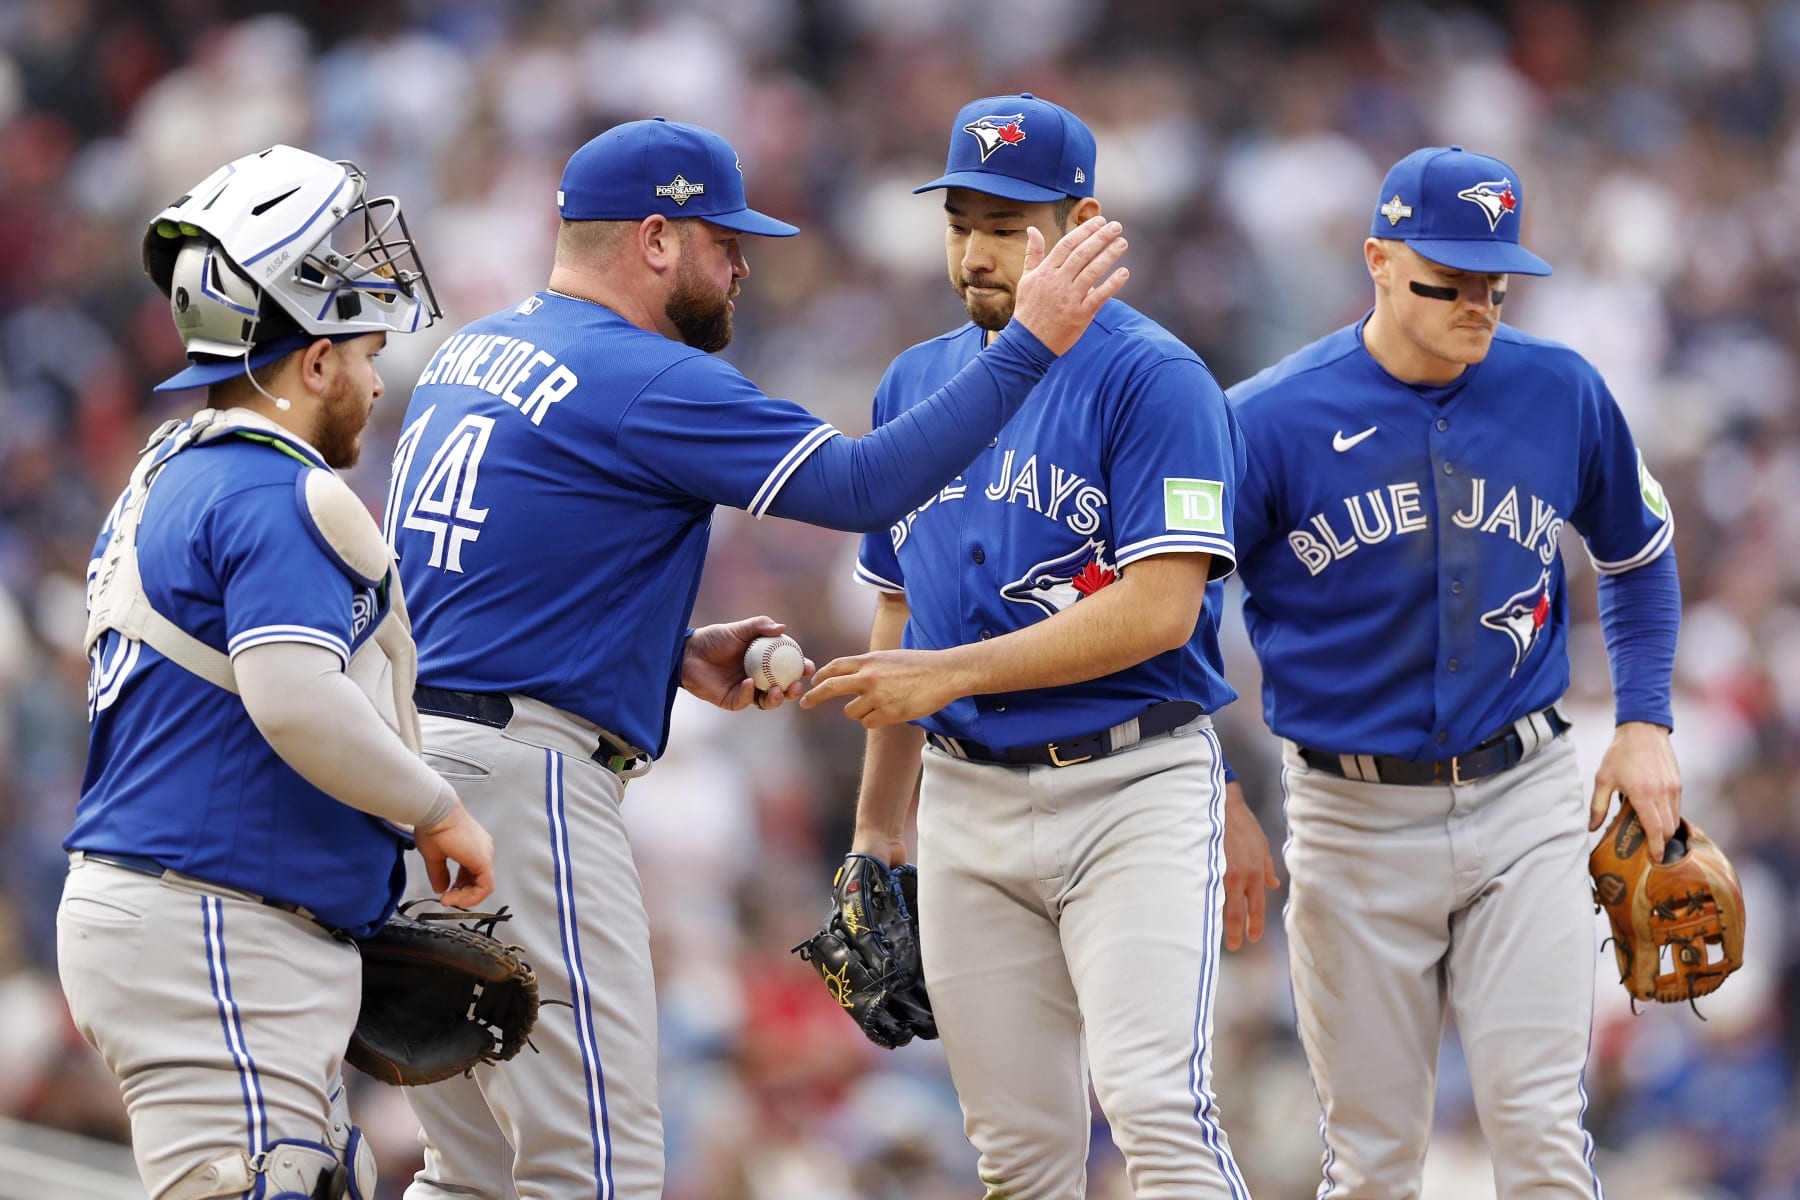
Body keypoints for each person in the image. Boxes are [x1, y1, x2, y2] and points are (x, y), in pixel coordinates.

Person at [383, 115, 1128, 1199]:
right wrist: (1033, 344)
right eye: (722, 240)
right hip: (518, 792)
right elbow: (865, 488)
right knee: (595, 1169)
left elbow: (468, 583)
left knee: (474, 1170)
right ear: (653, 240)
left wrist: (659, 650)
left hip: (409, 770)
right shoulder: (639, 371)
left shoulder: (472, 350)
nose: (741, 265)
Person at [799, 93, 1257, 1200]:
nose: (975, 250)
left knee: (1155, 1106)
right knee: (1018, 1158)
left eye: (1007, 225)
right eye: (960, 221)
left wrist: (948, 676)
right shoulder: (916, 380)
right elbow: (899, 611)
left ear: (1084, 220)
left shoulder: (1158, 379)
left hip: (1132, 785)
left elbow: (1158, 609)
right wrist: (873, 829)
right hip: (964, 804)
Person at [1224, 145, 1683, 1197]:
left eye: (1495, 282)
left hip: (1522, 798)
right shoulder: (1266, 419)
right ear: (1378, 261)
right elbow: (1172, 609)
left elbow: (1639, 553)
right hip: (1349, 818)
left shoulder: (1560, 390)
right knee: (1375, 1166)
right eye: (1449, 281)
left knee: (1542, 1143)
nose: (1478, 303)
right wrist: (1219, 788)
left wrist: (1647, 718)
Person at [59, 144, 496, 1200]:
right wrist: (439, 813)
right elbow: (294, 697)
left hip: (192, 914)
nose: (376, 376)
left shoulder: (176, 473)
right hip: (212, 916)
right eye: (362, 349)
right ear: (311, 364)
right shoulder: (267, 490)